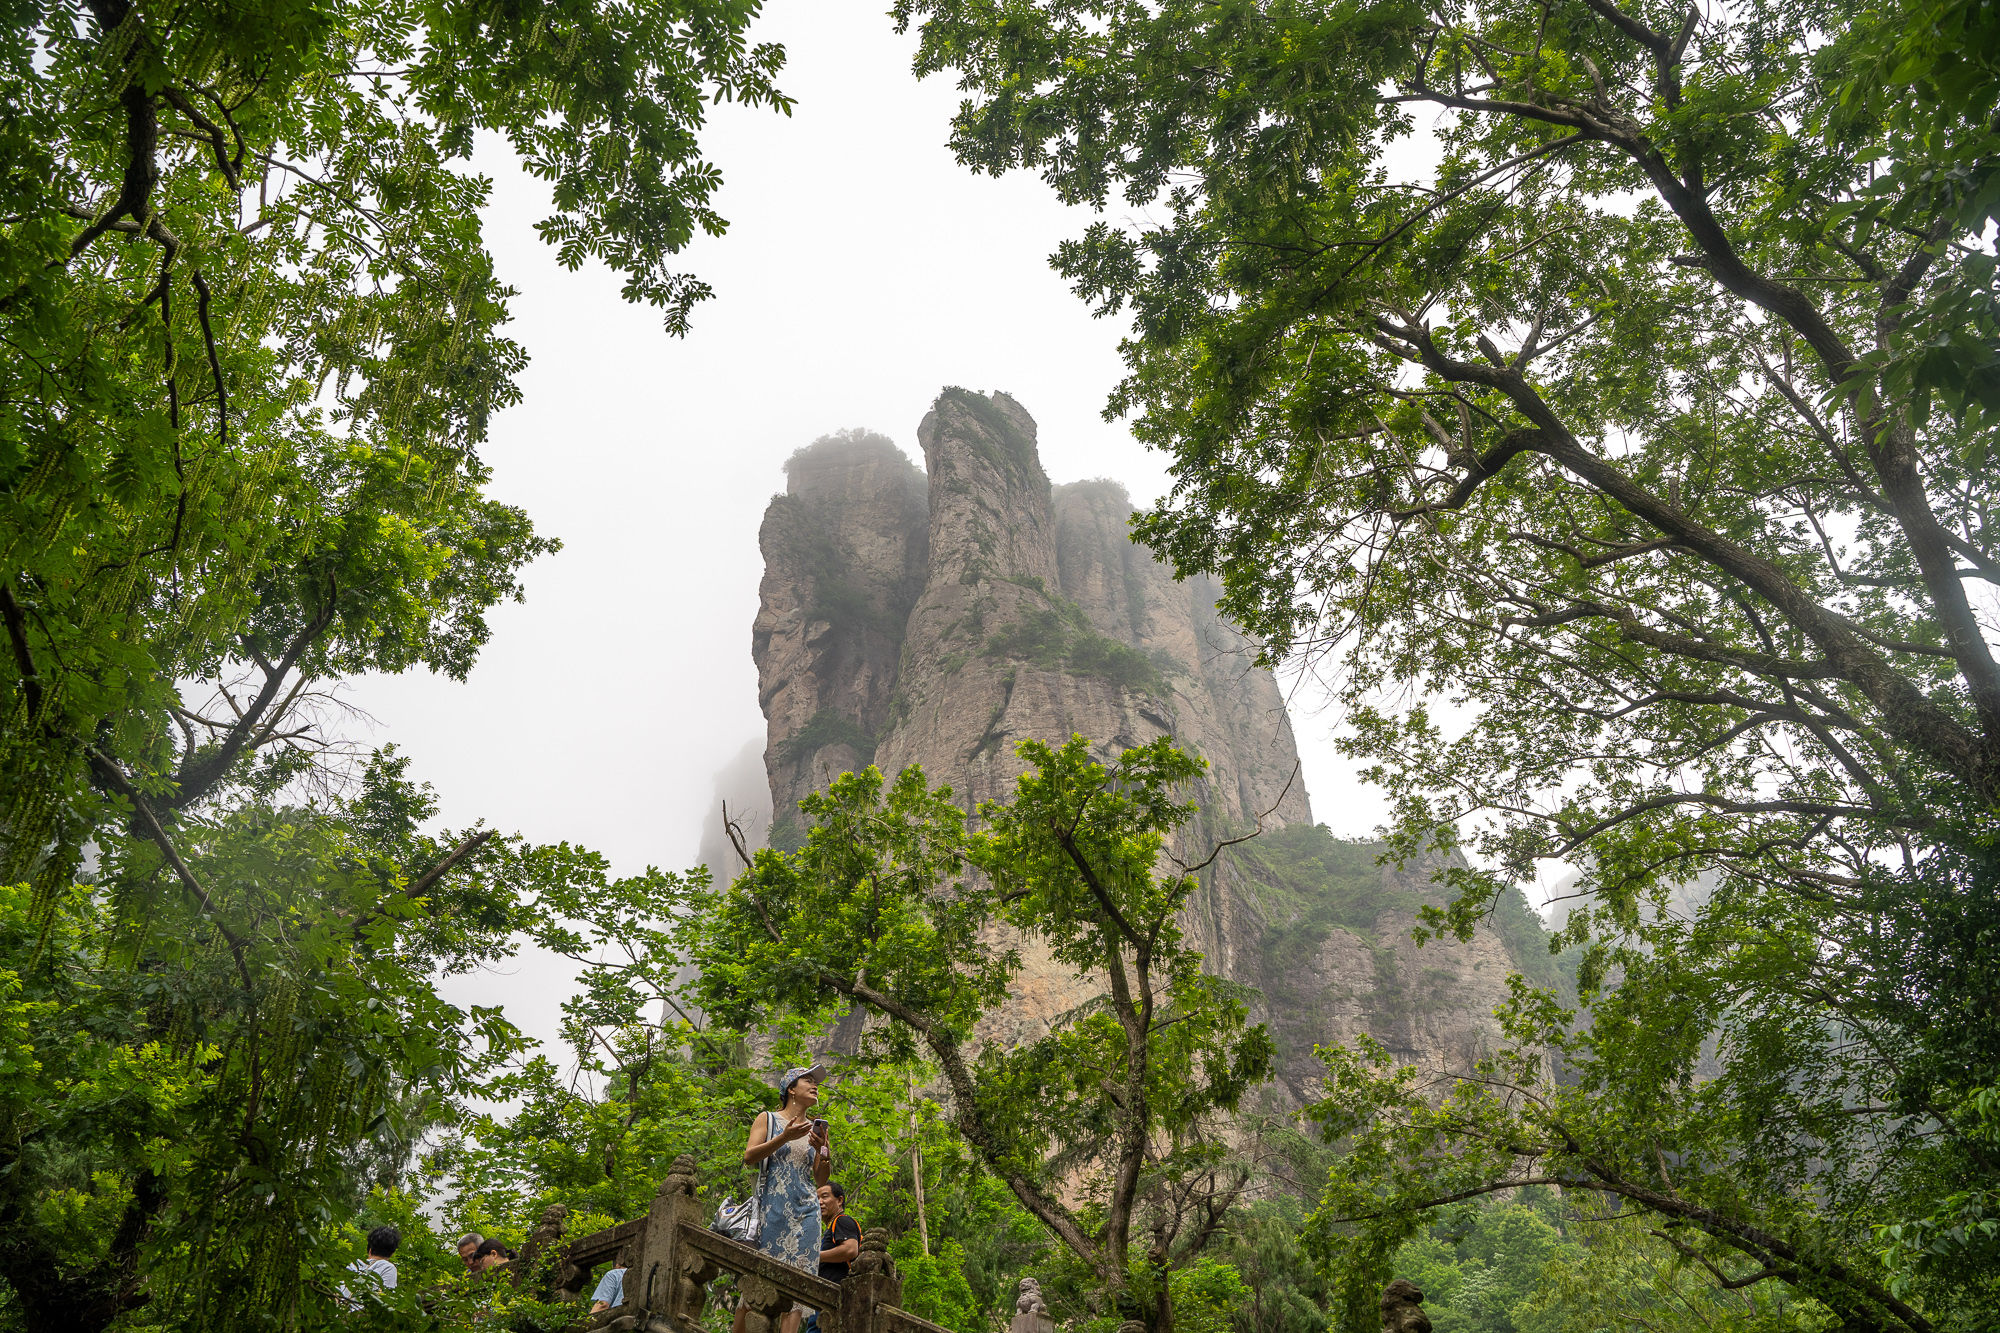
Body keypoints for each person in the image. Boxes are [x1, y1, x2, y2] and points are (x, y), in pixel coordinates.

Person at [733, 1061, 832, 1333]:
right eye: (808, 1081)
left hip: (808, 1212)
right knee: (760, 1281)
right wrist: (784, 1137)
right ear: (791, 1089)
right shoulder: (768, 1119)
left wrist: (823, 1150)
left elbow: (821, 1179)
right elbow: (749, 1156)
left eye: (816, 1082)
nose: (815, 1086)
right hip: (774, 1207)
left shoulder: (816, 1128)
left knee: (799, 1288)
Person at [338, 1226, 400, 1309]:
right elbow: (385, 1301)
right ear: (392, 1252)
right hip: (360, 1318)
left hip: (340, 1316)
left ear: (369, 1249)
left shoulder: (353, 1265)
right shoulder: (388, 1268)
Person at [817, 1184, 860, 1282]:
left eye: (824, 1197)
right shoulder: (832, 1226)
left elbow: (850, 1249)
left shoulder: (842, 1220)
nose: (819, 1202)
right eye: (817, 1198)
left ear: (840, 1200)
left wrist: (816, 1256)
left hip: (838, 1289)